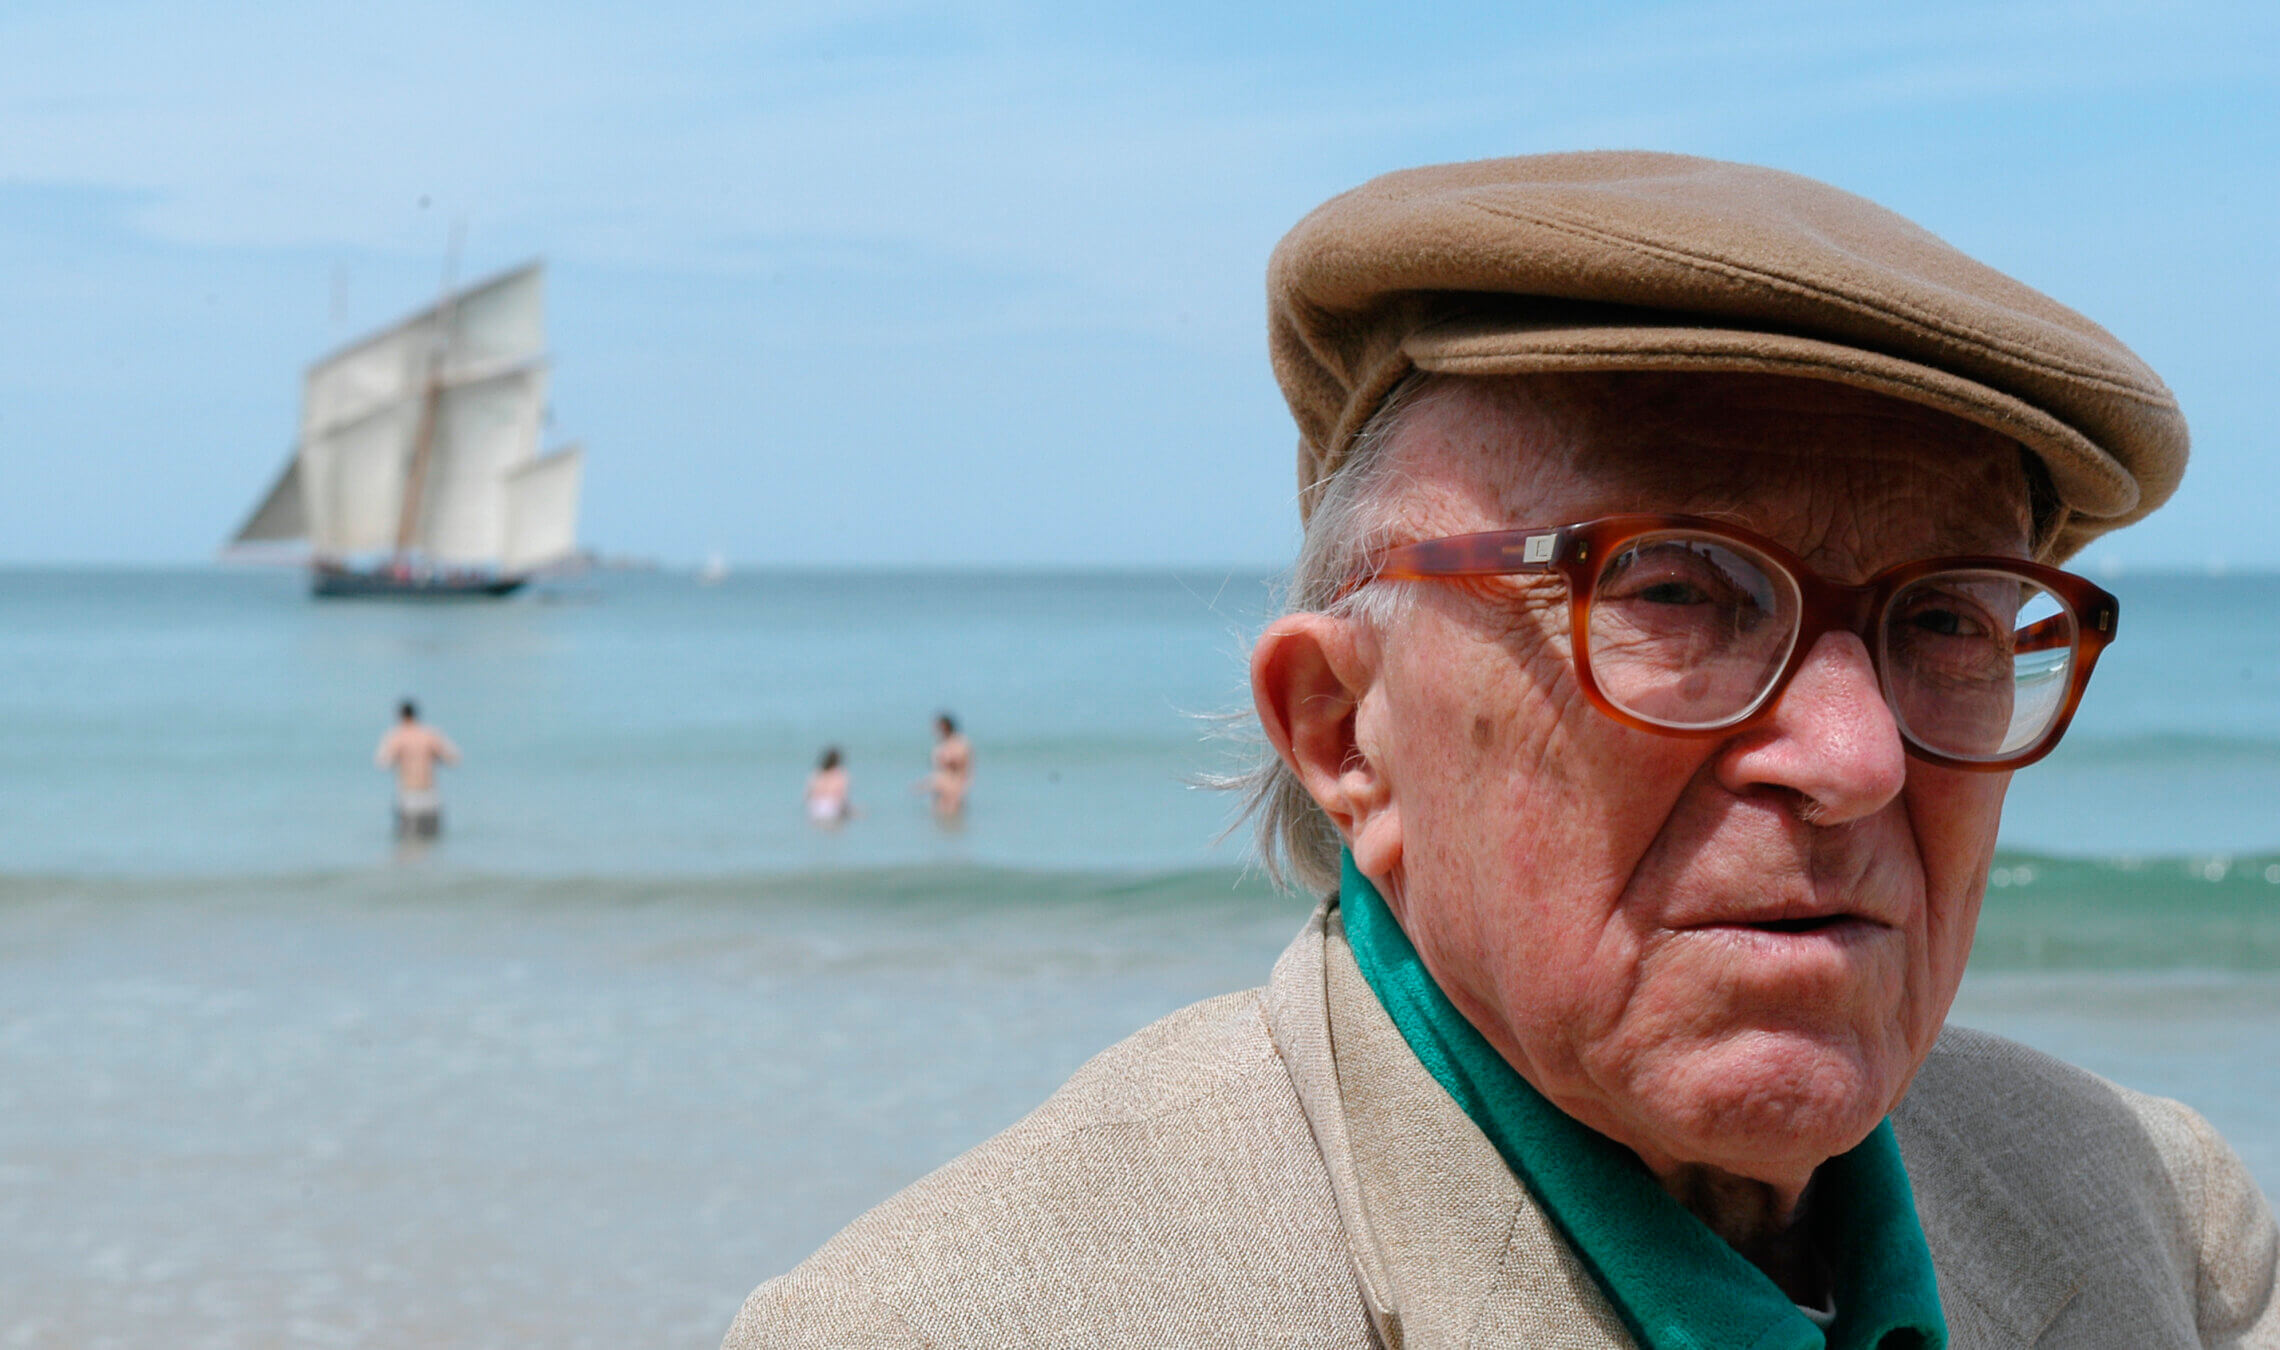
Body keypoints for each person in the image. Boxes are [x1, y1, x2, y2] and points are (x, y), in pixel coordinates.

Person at [726, 153, 2276, 1347]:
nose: (1858, 755)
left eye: (1946, 619)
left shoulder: (2159, 1216)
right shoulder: (959, 1318)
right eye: (1677, 588)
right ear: (1347, 734)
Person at [373, 698, 459, 838]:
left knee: (408, 841)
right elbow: (453, 759)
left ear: (400, 716)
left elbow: (382, 763)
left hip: (408, 795)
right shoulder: (430, 735)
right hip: (430, 794)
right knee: (433, 839)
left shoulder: (396, 737)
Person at [921, 712, 972, 820]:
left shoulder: (959, 742)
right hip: (942, 785)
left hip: (953, 786)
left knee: (953, 818)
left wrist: (945, 762)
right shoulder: (942, 743)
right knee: (940, 819)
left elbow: (961, 764)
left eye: (939, 726)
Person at [805, 746, 853, 827]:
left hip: (815, 808)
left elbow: (808, 795)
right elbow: (842, 797)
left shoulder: (817, 774)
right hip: (832, 808)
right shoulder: (840, 775)